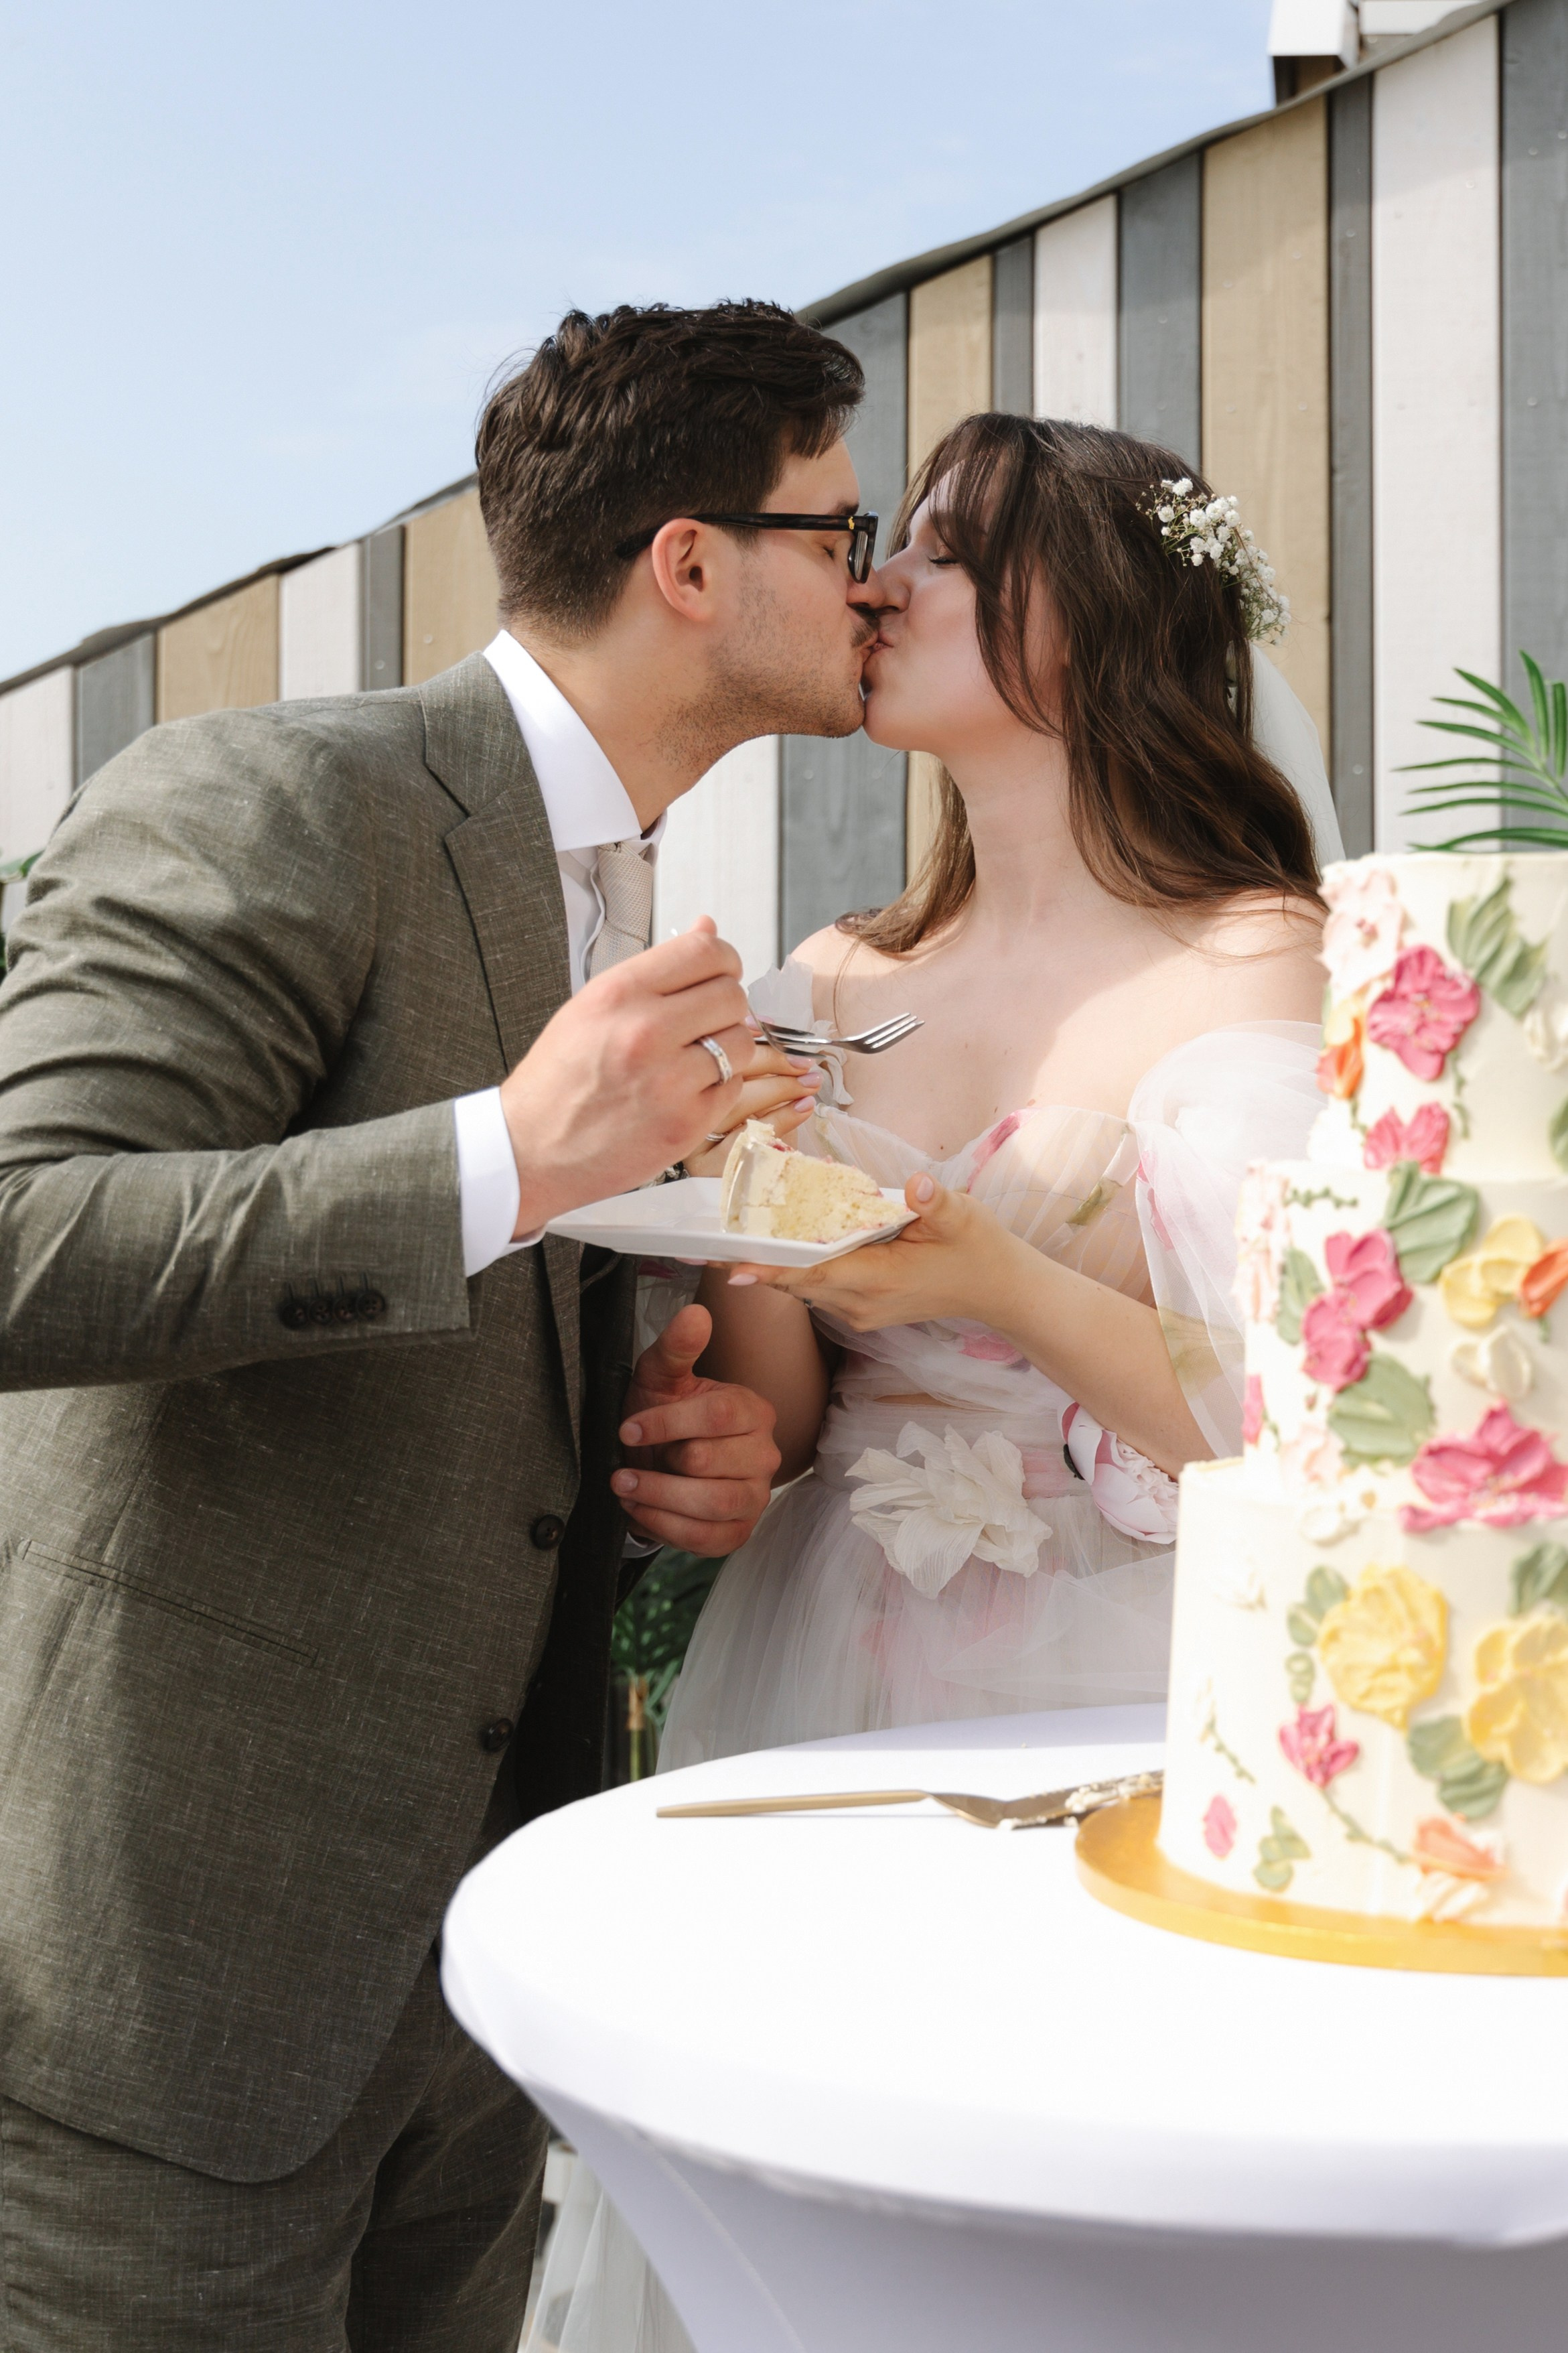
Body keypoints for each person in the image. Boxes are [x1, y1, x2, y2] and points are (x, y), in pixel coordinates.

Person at [0, 300, 889, 2350]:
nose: (876, 579)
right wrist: (504, 1150)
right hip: (180, 1982)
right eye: (839, 534)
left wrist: (674, 1436)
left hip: (475, 1989)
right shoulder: (280, 795)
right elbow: (32, 1245)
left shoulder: (627, 892)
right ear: (692, 562)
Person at [528, 413, 1340, 2352]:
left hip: (1116, 1670)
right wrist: (730, 1359)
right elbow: (796, 1390)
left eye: (956, 551)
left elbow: (1286, 1431)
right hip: (823, 1645)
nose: (882, 584)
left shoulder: (1262, 966)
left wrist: (995, 1274)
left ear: (1105, 610)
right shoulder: (831, 975)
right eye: (889, 544)